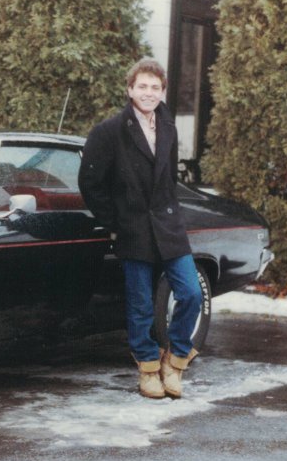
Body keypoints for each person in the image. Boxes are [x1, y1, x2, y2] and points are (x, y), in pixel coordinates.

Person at [78, 58, 202, 399]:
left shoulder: (169, 128)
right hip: (133, 229)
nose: (148, 93)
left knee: (191, 293)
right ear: (130, 89)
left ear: (163, 92)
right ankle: (148, 369)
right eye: (142, 86)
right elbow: (90, 182)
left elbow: (169, 180)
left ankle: (175, 363)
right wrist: (115, 221)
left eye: (155, 87)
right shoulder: (109, 131)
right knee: (140, 304)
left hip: (169, 226)